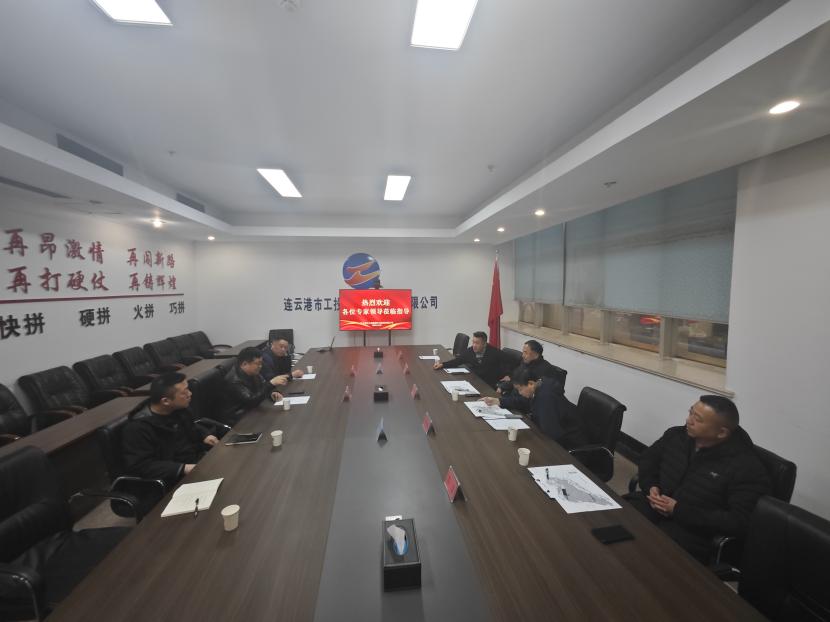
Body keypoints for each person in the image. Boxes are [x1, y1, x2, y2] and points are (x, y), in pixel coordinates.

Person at [627, 395, 770, 563]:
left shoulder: (746, 468)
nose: (688, 420)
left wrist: (678, 510)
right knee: (613, 519)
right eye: (690, 413)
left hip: (693, 532)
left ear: (721, 432)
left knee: (645, 559)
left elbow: (739, 521)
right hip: (652, 506)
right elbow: (648, 460)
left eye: (698, 419)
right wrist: (651, 486)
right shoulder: (676, 435)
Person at [121, 372, 219, 487]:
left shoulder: (179, 410)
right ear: (165, 401)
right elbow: (142, 466)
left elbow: (192, 427)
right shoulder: (138, 428)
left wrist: (205, 435)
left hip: (196, 461)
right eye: (184, 392)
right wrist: (182, 468)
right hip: (173, 479)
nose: (190, 393)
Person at [484, 369, 586, 448]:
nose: (519, 393)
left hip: (569, 442)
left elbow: (551, 432)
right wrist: (499, 401)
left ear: (531, 383)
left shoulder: (546, 397)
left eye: (520, 389)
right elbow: (523, 401)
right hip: (559, 434)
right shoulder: (540, 385)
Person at [493, 340, 564, 412]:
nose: (522, 355)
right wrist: (503, 386)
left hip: (523, 407)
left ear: (535, 354)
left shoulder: (546, 370)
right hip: (512, 398)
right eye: (523, 352)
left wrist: (501, 401)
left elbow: (529, 399)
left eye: (525, 352)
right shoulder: (525, 362)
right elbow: (517, 381)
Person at [224, 346, 284, 423]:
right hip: (239, 418)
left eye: (261, 363)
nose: (260, 366)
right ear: (244, 364)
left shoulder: (253, 372)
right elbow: (251, 401)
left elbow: (262, 386)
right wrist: (271, 384)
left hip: (252, 410)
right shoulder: (234, 380)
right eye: (257, 363)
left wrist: (272, 393)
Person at [433, 331, 503, 388]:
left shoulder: (495, 353)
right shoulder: (470, 351)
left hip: (489, 385)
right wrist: (442, 365)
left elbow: (507, 369)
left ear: (484, 344)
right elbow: (458, 361)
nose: (474, 345)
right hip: (476, 381)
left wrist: (501, 385)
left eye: (477, 343)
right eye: (473, 342)